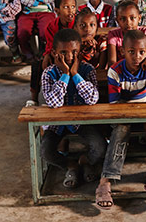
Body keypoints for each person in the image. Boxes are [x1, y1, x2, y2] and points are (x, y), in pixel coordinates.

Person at [95, 29, 146, 209]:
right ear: (122, 51)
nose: (137, 56)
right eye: (131, 52)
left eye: (142, 52)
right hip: (121, 113)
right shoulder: (115, 70)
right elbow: (114, 103)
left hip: (145, 112)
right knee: (122, 128)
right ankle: (105, 181)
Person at [40, 28, 107, 189]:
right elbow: (54, 103)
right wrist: (65, 75)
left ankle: (85, 161)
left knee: (100, 147)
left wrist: (75, 74)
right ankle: (70, 166)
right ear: (54, 52)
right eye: (63, 52)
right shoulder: (48, 74)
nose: (69, 57)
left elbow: (92, 99)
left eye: (74, 52)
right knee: (46, 152)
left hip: (81, 121)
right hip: (57, 123)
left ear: (80, 51)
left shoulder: (87, 70)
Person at [29, 0, 77, 106]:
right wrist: (47, 55)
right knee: (37, 65)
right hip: (58, 54)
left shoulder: (78, 23)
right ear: (57, 10)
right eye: (66, 7)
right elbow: (50, 45)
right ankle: (34, 99)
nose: (70, 11)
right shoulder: (52, 26)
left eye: (73, 7)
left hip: (75, 55)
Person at [107, 0, 146, 67]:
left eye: (132, 18)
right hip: (122, 72)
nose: (128, 23)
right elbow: (112, 61)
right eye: (123, 19)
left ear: (139, 18)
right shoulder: (113, 34)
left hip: (144, 70)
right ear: (117, 21)